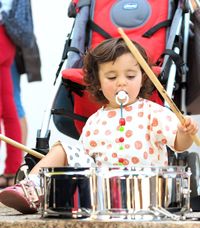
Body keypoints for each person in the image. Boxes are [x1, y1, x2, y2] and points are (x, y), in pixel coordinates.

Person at [0, 37, 198, 214]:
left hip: (145, 192)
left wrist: (185, 133)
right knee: (63, 148)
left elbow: (180, 144)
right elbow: (84, 159)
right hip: (103, 195)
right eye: (112, 77)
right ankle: (31, 188)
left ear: (143, 78)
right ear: (98, 82)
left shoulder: (154, 112)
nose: (121, 83)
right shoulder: (94, 121)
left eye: (130, 76)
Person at [0, 0, 22, 188]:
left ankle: (12, 168)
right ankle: (12, 169)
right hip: (6, 38)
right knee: (8, 107)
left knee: (7, 107)